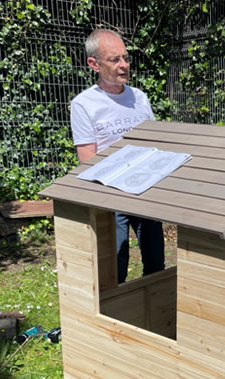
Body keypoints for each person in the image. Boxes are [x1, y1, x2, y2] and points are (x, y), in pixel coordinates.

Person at [70, 29, 165, 283]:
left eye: (125, 58)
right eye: (115, 60)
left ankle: (156, 313)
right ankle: (115, 316)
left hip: (145, 191)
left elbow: (155, 144)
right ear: (94, 64)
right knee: (115, 266)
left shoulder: (140, 98)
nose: (124, 65)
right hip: (111, 197)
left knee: (156, 263)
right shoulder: (84, 104)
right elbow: (87, 160)